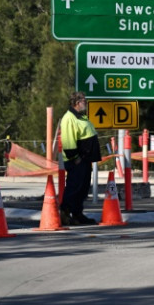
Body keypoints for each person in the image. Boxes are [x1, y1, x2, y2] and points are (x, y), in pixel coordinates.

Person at [59, 91, 101, 226]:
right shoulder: (69, 118)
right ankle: (64, 213)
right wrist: (74, 157)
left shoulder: (81, 117)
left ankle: (77, 214)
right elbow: (68, 139)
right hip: (77, 160)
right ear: (77, 103)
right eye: (84, 101)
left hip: (85, 159)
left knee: (83, 188)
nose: (86, 103)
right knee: (74, 187)